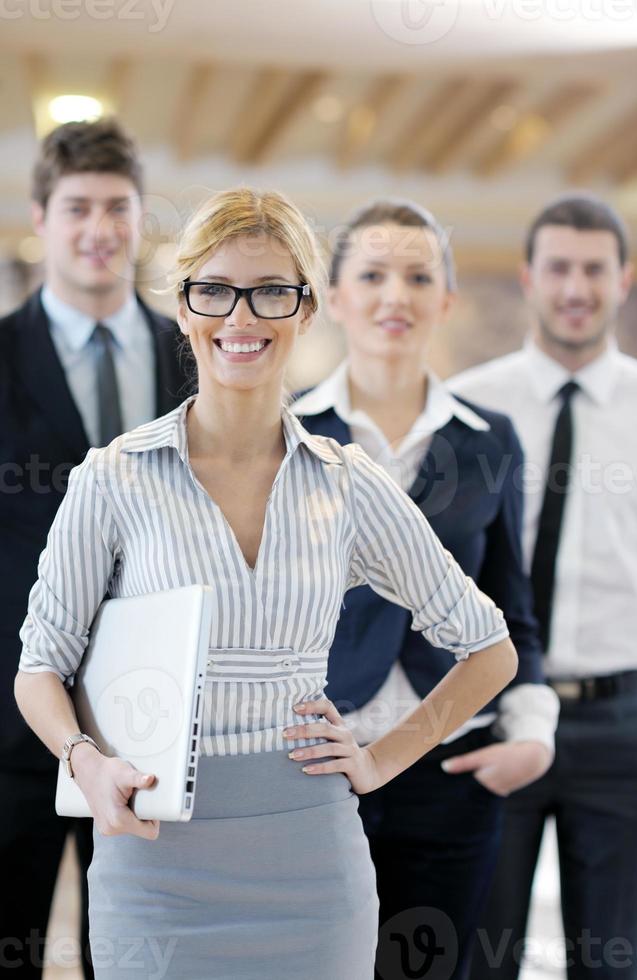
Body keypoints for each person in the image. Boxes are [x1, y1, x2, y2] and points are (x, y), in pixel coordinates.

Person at [14, 186, 518, 979]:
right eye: (213, 290)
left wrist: (382, 759)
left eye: (270, 292)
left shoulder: (347, 483)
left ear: (307, 310)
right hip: (154, 866)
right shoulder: (112, 478)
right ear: (182, 308)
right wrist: (84, 761)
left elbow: (489, 647)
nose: (240, 318)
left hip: (311, 865)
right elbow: (39, 663)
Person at [292, 198, 559, 980]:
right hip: (321, 767)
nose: (395, 296)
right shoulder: (288, 436)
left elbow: (513, 606)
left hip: (452, 768)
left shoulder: (489, 439)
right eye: (371, 275)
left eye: (418, 276)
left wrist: (532, 732)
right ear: (333, 299)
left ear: (446, 300)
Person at [449, 193, 637, 980]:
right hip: (494, 712)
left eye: (594, 269)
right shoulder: (472, 406)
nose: (576, 287)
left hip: (623, 726)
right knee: (483, 955)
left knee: (619, 963)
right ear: (530, 278)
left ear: (623, 280)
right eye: (559, 268)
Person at [0, 118, 185, 979]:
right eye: (77, 207)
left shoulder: (194, 357)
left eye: (118, 207)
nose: (99, 228)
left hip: (159, 721)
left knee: (144, 959)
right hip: (13, 730)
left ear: (141, 217)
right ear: (40, 218)